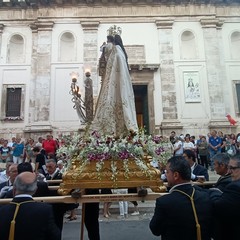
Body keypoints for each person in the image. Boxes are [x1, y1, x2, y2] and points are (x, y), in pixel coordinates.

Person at [149, 156, 214, 240]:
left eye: (167, 172)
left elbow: (155, 230)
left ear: (176, 175)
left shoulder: (164, 202)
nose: (165, 175)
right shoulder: (205, 196)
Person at [90, 33, 138, 136]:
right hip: (120, 80)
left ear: (111, 41)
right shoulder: (121, 52)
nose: (107, 43)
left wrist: (103, 47)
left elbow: (104, 49)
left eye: (108, 41)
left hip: (113, 79)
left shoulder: (114, 49)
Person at [0, 172, 61, 240]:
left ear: (14, 189)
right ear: (35, 190)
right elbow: (55, 236)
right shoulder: (45, 210)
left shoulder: (2, 211)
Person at [209, 154, 240, 240]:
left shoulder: (235, 187)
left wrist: (213, 191)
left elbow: (218, 205)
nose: (229, 171)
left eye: (232, 168)